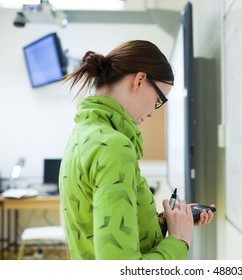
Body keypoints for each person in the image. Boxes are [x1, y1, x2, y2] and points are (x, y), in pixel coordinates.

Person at [58, 40, 214, 260]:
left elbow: (104, 228)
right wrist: (179, 241)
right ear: (140, 80)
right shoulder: (114, 147)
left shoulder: (82, 134)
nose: (152, 112)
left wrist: (166, 222)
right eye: (158, 100)